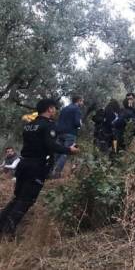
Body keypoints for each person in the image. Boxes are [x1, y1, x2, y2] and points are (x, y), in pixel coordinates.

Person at [0, 99, 79, 237]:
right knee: (26, 200)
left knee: (18, 197)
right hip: (36, 166)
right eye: (54, 108)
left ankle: (2, 225)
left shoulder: (29, 125)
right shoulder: (48, 125)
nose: (55, 110)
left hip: (23, 164)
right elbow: (51, 145)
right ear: (49, 109)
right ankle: (8, 232)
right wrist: (69, 150)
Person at [51, 95, 83, 179]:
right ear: (78, 100)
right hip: (70, 133)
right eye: (82, 101)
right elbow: (77, 123)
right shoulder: (76, 109)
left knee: (57, 152)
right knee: (66, 152)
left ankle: (49, 170)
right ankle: (56, 173)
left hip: (60, 132)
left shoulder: (64, 109)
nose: (82, 103)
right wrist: (80, 124)